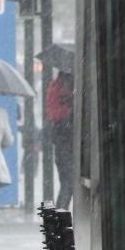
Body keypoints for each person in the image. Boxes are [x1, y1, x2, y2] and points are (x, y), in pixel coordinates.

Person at [46, 69, 74, 208]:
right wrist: (70, 108)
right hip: (65, 141)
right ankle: (60, 222)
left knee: (67, 184)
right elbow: (54, 114)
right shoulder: (59, 88)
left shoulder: (56, 86)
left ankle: (60, 222)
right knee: (68, 184)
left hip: (62, 142)